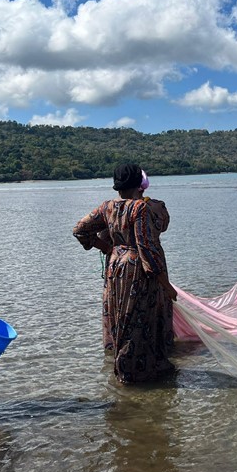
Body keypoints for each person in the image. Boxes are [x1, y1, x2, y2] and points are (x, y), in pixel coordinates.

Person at [73, 164, 177, 384]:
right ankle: (135, 372)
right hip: (137, 270)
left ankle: (123, 371)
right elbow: (146, 248)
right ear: (138, 184)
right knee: (140, 318)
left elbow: (80, 229)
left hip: (115, 266)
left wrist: (106, 247)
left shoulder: (107, 207)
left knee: (122, 317)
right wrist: (166, 285)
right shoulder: (140, 208)